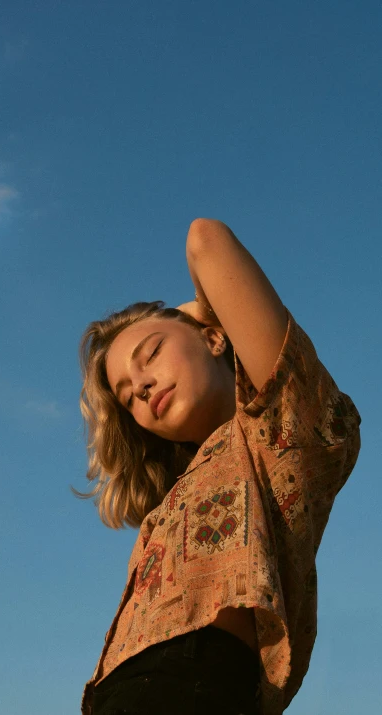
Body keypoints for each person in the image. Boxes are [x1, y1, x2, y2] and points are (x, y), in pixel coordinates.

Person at [76, 219, 361, 715]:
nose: (141, 386)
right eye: (127, 397)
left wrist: (199, 314)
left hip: (196, 684)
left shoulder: (279, 430)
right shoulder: (167, 510)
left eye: (153, 353)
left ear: (212, 337)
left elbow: (205, 239)